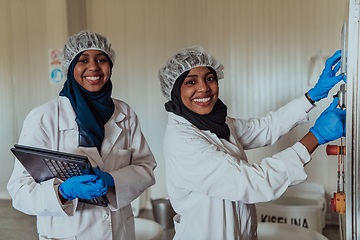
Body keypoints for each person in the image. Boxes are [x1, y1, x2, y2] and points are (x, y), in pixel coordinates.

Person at [158, 45, 345, 240]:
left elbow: (266, 128)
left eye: (210, 78)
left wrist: (312, 95)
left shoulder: (216, 123)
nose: (204, 87)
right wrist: (315, 136)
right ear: (175, 91)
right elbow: (253, 183)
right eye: (191, 82)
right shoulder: (182, 141)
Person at [7, 30, 157, 240]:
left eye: (101, 59)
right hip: (66, 233)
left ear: (110, 66)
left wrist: (113, 179)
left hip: (118, 232)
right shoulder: (43, 118)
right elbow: (20, 190)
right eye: (83, 60)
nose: (94, 67)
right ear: (70, 67)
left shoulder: (125, 113)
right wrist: (63, 192)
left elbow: (145, 167)